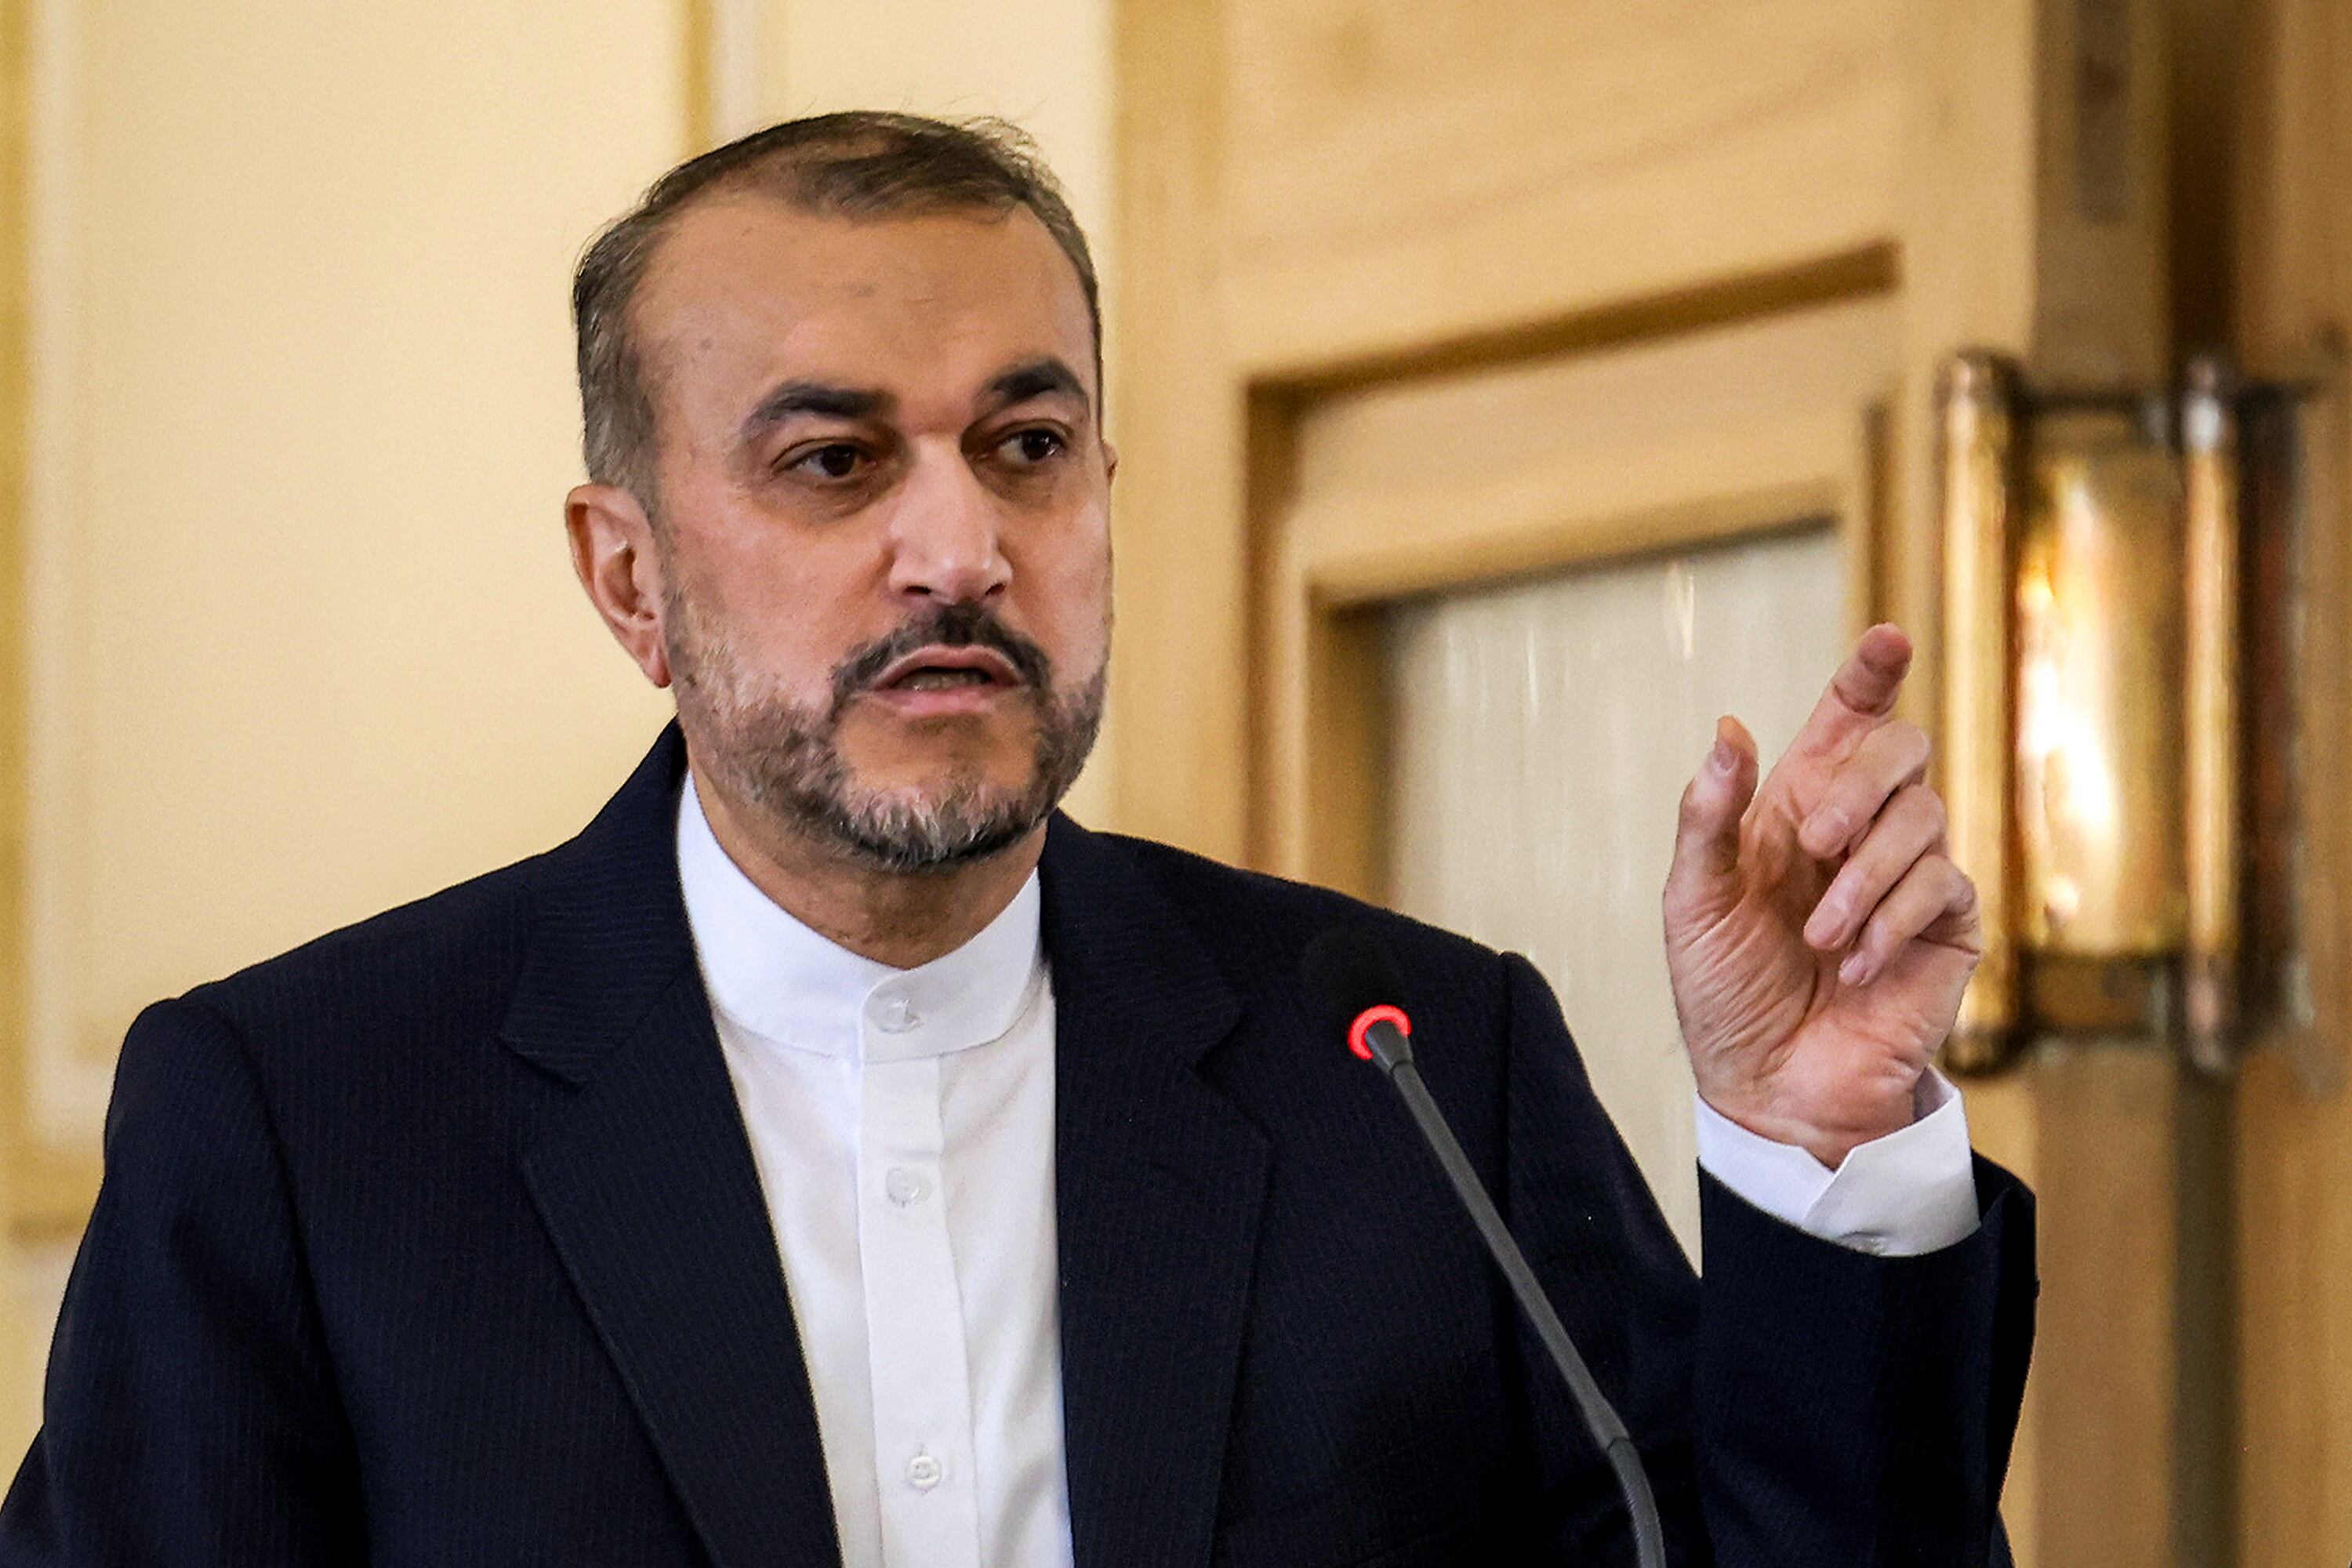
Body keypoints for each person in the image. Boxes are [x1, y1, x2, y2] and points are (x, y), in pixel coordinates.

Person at [0, 113, 2031, 1567]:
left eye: (1028, 447)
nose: (961, 546)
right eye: (835, 460)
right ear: (630, 579)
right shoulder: (303, 1123)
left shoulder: (1412, 1067)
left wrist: (1819, 1142)